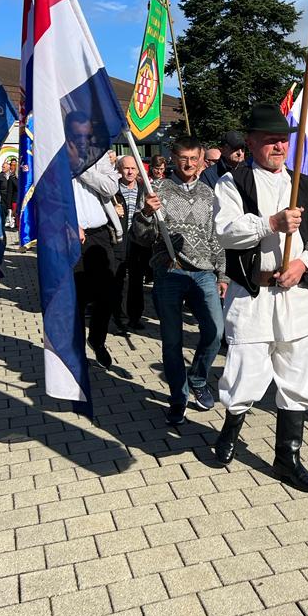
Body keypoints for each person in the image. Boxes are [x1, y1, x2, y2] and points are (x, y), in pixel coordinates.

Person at [213, 104, 308, 493]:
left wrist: (303, 263)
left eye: (283, 140)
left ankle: (287, 458)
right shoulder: (233, 183)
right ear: (251, 142)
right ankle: (231, 429)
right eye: (270, 140)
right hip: (253, 295)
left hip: (295, 296)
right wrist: (271, 223)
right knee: (245, 372)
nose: (279, 146)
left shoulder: (305, 185)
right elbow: (226, 232)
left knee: (298, 374)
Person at [133, 137, 227, 425]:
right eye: (183, 158)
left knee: (215, 331)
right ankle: (178, 396)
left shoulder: (208, 193)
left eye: (193, 158)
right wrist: (146, 214)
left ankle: (198, 378)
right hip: (169, 272)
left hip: (204, 272)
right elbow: (140, 237)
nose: (188, 164)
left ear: (201, 161)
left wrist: (222, 273)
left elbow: (216, 236)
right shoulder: (155, 190)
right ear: (173, 158)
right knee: (172, 340)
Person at [73, 151, 123, 369]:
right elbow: (49, 195)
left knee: (108, 294)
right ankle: (76, 352)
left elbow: (110, 187)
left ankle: (96, 339)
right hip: (69, 235)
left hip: (100, 233)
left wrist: (81, 169)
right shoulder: (54, 151)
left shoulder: (96, 153)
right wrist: (69, 222)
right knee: (77, 298)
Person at [113, 156, 149, 330]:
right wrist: (112, 210)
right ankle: (118, 316)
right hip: (118, 240)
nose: (130, 172)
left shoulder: (144, 189)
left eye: (133, 168)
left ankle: (135, 317)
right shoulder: (112, 190)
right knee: (117, 280)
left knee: (136, 281)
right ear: (119, 169)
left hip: (137, 241)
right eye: (126, 168)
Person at [0, 158, 18, 229]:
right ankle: (3, 224)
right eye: (2, 167)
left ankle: (11, 222)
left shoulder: (13, 175)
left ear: (8, 168)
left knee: (11, 211)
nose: (3, 168)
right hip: (3, 196)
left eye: (4, 167)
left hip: (11, 196)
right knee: (4, 211)